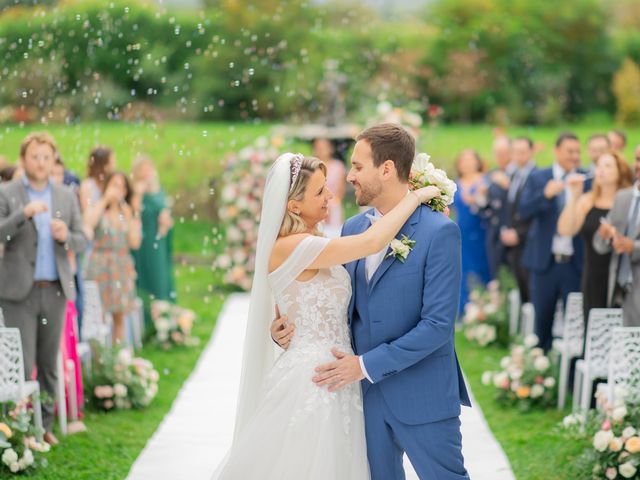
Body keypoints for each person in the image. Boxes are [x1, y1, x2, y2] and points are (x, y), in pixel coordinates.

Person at [269, 124, 470, 479]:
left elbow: (438, 326)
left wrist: (364, 366)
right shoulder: (352, 229)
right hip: (359, 401)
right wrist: (285, 328)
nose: (348, 177)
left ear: (387, 169)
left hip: (421, 394)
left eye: (358, 167)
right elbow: (341, 305)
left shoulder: (439, 232)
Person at [0, 132, 87, 446]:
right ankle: (20, 428)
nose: (40, 162)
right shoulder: (7, 192)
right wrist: (22, 215)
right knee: (21, 363)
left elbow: (82, 238)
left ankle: (45, 425)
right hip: (17, 293)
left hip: (55, 291)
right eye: (34, 156)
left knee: (49, 362)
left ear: (54, 161)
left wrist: (66, 236)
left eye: (46, 157)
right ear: (23, 160)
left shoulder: (65, 195)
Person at [519, 132, 588, 352]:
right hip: (544, 263)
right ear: (556, 151)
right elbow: (523, 211)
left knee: (575, 325)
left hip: (574, 264)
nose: (574, 156)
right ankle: (540, 375)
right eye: (570, 151)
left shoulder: (586, 179)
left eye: (577, 151)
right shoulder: (539, 177)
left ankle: (568, 378)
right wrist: (545, 195)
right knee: (543, 323)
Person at [558, 151, 632, 328]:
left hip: (619, 276)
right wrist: (574, 196)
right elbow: (566, 230)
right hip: (592, 275)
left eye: (607, 166)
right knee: (593, 330)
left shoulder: (629, 201)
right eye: (599, 165)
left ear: (620, 171)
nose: (601, 170)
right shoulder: (588, 200)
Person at [83, 171, 142, 344]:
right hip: (99, 265)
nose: (118, 190)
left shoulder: (128, 212)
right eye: (114, 185)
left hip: (121, 267)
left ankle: (119, 360)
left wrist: (130, 216)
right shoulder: (98, 208)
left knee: (119, 316)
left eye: (122, 187)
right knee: (98, 316)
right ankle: (100, 360)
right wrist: (104, 201)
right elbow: (88, 224)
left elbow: (135, 243)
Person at [594, 148, 640, 327]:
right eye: (637, 159)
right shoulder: (622, 197)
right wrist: (604, 235)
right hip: (616, 290)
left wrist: (634, 247)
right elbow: (600, 245)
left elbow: (632, 246)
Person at [131, 155, 176, 323]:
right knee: (146, 276)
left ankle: (165, 316)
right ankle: (149, 319)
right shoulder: (137, 190)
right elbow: (134, 212)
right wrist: (138, 193)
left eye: (149, 168)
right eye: (143, 169)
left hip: (160, 241)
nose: (147, 172)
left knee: (161, 276)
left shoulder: (159, 190)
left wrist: (166, 219)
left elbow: (164, 210)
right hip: (144, 242)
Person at [452, 149, 492, 313]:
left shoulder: (485, 182)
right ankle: (464, 310)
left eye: (470, 160)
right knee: (462, 269)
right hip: (461, 234)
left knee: (482, 267)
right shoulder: (454, 184)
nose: (467, 164)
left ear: (477, 162)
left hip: (481, 232)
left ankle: (484, 308)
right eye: (464, 160)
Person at [500, 136, 536, 303]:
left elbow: (536, 214)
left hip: (529, 242)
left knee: (530, 291)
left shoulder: (537, 176)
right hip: (512, 243)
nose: (519, 156)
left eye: (523, 152)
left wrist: (519, 234)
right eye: (515, 152)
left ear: (531, 152)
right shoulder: (514, 174)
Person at [481, 136, 513, 278]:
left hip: (514, 235)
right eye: (497, 153)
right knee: (497, 277)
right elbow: (485, 206)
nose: (500, 157)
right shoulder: (491, 174)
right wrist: (480, 197)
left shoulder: (519, 174)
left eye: (504, 153)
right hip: (494, 234)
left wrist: (508, 187)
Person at [312, 138, 347, 238]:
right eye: (318, 148)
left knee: (334, 232)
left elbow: (341, 188)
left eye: (324, 148)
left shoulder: (338, 166)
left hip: (334, 202)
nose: (321, 150)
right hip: (316, 203)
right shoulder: (313, 167)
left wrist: (333, 203)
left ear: (330, 148)